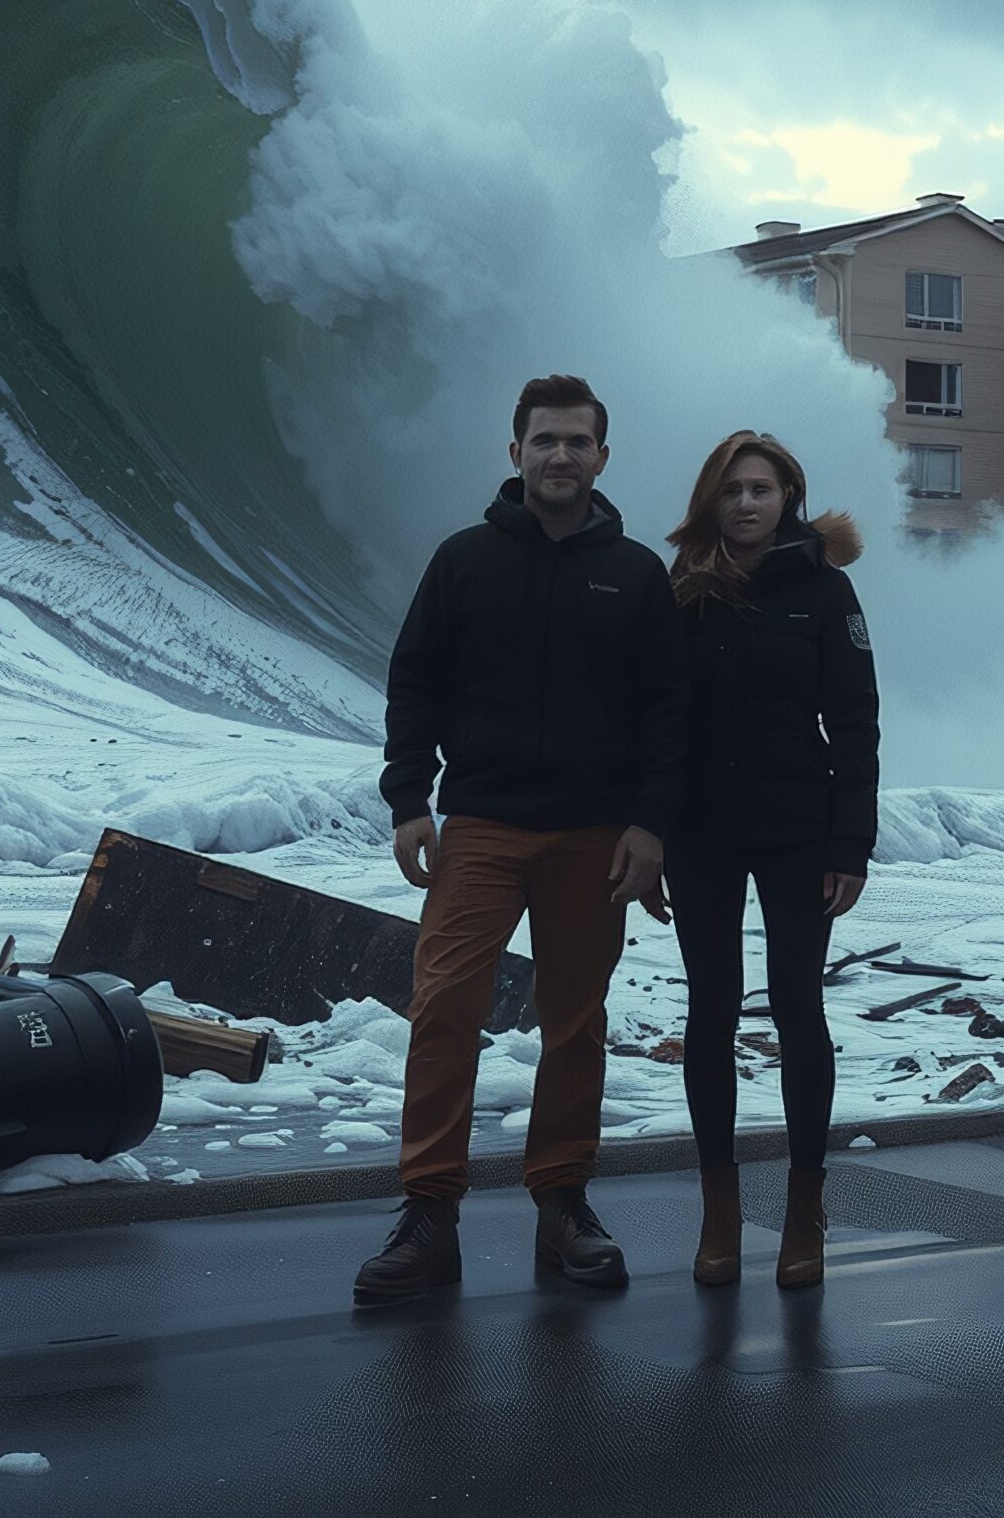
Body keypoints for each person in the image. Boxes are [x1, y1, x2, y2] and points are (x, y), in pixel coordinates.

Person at [353, 375, 688, 1308]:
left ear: (601, 458)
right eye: (544, 441)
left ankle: (564, 1205)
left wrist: (652, 825)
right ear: (515, 454)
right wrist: (409, 800)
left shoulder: (635, 574)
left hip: (593, 835)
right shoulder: (465, 561)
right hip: (485, 827)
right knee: (445, 1008)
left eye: (577, 442)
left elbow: (669, 713)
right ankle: (428, 1215)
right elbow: (414, 681)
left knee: (575, 1023)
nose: (560, 457)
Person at [663, 430, 879, 1290]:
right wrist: (644, 834)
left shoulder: (827, 592)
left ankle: (803, 1211)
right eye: (730, 491)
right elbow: (656, 722)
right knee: (710, 1013)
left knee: (797, 1007)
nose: (746, 504)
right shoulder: (678, 590)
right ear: (709, 502)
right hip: (700, 832)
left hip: (798, 831)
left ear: (789, 496)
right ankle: (720, 1216)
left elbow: (856, 724)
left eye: (761, 489)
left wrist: (850, 846)